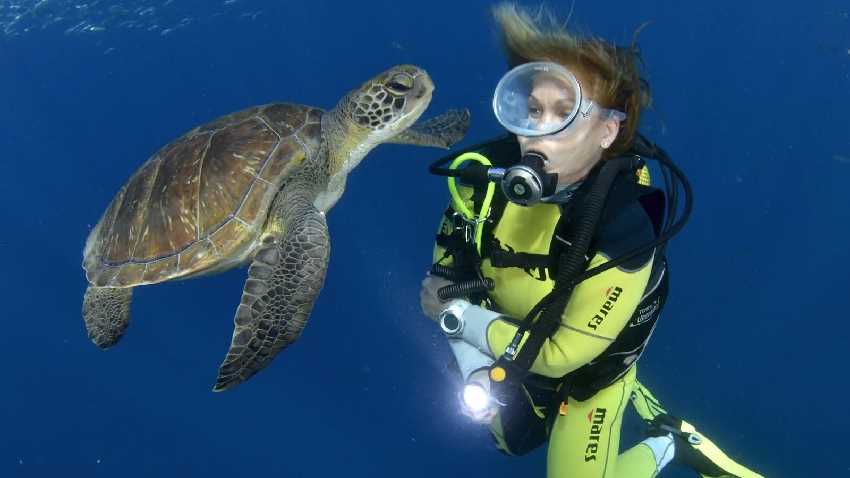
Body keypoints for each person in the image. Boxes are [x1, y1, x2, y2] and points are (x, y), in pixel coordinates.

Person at [419, 4, 763, 477]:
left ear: (606, 131)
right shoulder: (478, 182)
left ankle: (668, 443)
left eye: (565, 113)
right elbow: (444, 280)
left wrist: (458, 320)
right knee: (509, 441)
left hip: (586, 372)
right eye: (533, 109)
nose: (540, 131)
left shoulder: (624, 229)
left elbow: (560, 357)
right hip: (509, 341)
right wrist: (469, 357)